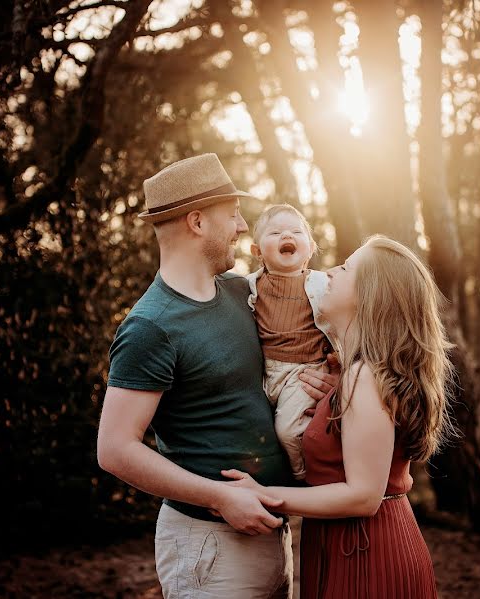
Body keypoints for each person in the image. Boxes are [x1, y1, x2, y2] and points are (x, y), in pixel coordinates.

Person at [96, 153, 337, 599]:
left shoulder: (244, 293)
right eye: (233, 215)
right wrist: (219, 497)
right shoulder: (152, 326)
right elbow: (113, 449)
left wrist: (328, 384)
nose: (244, 227)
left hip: (273, 535)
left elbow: (298, 345)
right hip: (209, 543)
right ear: (197, 223)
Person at [222, 235, 460, 599]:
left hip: (368, 554)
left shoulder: (364, 377)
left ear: (369, 293)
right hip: (344, 542)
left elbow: (364, 496)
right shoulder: (354, 374)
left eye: (346, 268)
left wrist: (264, 495)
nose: (330, 271)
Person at [247, 204, 338, 480]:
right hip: (266, 373)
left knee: (287, 430)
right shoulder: (249, 286)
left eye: (296, 231)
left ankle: (303, 477)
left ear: (310, 248)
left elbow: (346, 324)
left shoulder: (323, 284)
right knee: (263, 435)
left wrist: (340, 361)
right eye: (275, 232)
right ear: (257, 251)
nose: (286, 235)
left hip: (305, 371)